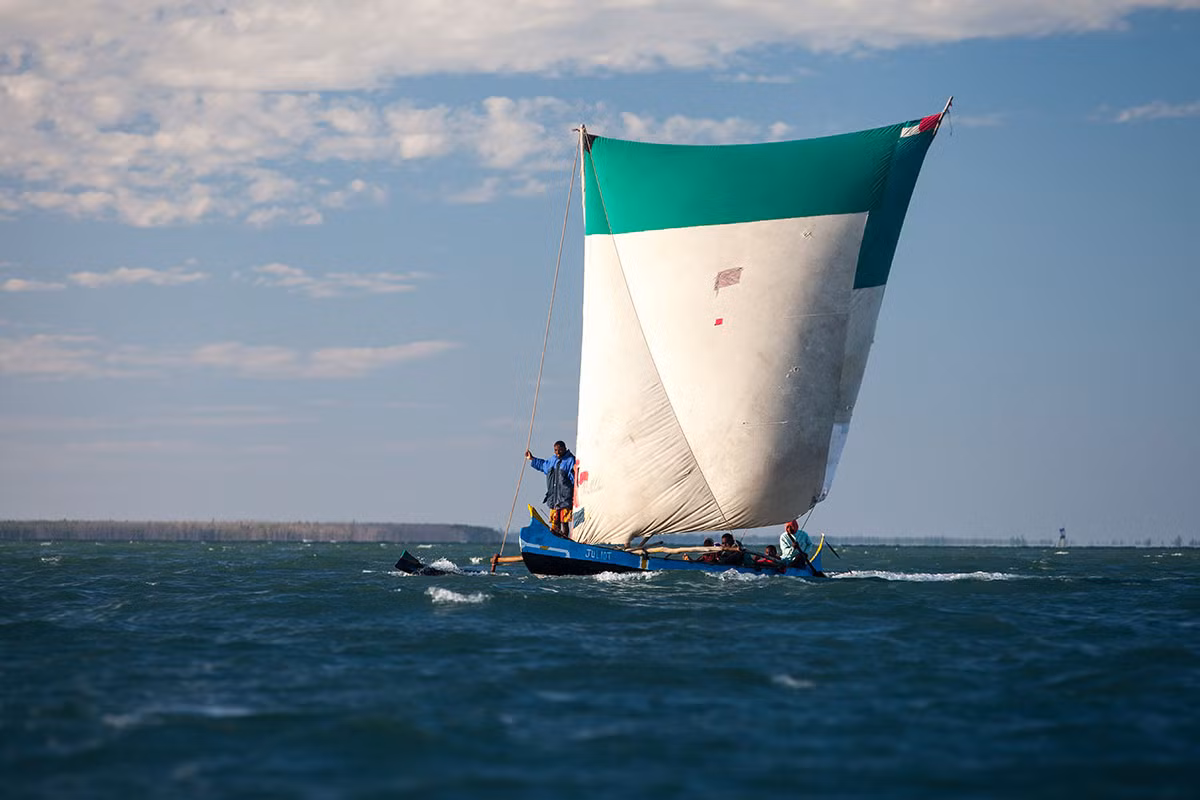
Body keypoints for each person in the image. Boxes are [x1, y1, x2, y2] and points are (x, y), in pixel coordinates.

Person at [526, 441, 575, 537]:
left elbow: (574, 478)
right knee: (555, 521)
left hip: (565, 498)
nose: (558, 452)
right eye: (556, 450)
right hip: (553, 498)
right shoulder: (552, 460)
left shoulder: (570, 460)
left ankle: (565, 539)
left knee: (564, 521)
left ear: (565, 448)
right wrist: (531, 458)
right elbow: (543, 465)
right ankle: (555, 540)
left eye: (560, 450)